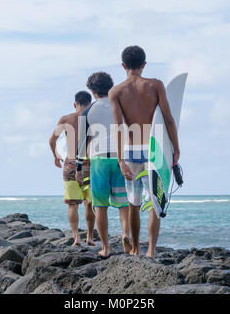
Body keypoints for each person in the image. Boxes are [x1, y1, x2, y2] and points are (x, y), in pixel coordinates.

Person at [109, 46, 180, 259]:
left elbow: (118, 127)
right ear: (144, 64)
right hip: (154, 150)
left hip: (130, 152)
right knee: (155, 202)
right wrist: (175, 148)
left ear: (123, 65)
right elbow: (168, 119)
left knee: (133, 203)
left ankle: (136, 248)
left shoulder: (116, 92)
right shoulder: (155, 85)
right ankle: (151, 251)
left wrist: (120, 159)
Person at [75, 72, 132, 257]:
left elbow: (82, 143)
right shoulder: (121, 105)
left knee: (100, 206)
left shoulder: (87, 111)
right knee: (124, 204)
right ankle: (126, 234)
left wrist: (78, 167)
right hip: (121, 158)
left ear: (92, 91)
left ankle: (106, 248)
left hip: (99, 159)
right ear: (111, 87)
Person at [49, 91, 95, 246]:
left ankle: (76, 237)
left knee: (73, 204)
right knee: (90, 203)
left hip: (70, 164)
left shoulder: (66, 119)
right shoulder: (93, 119)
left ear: (75, 104)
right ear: (90, 103)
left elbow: (52, 140)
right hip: (89, 165)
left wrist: (56, 155)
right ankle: (90, 237)